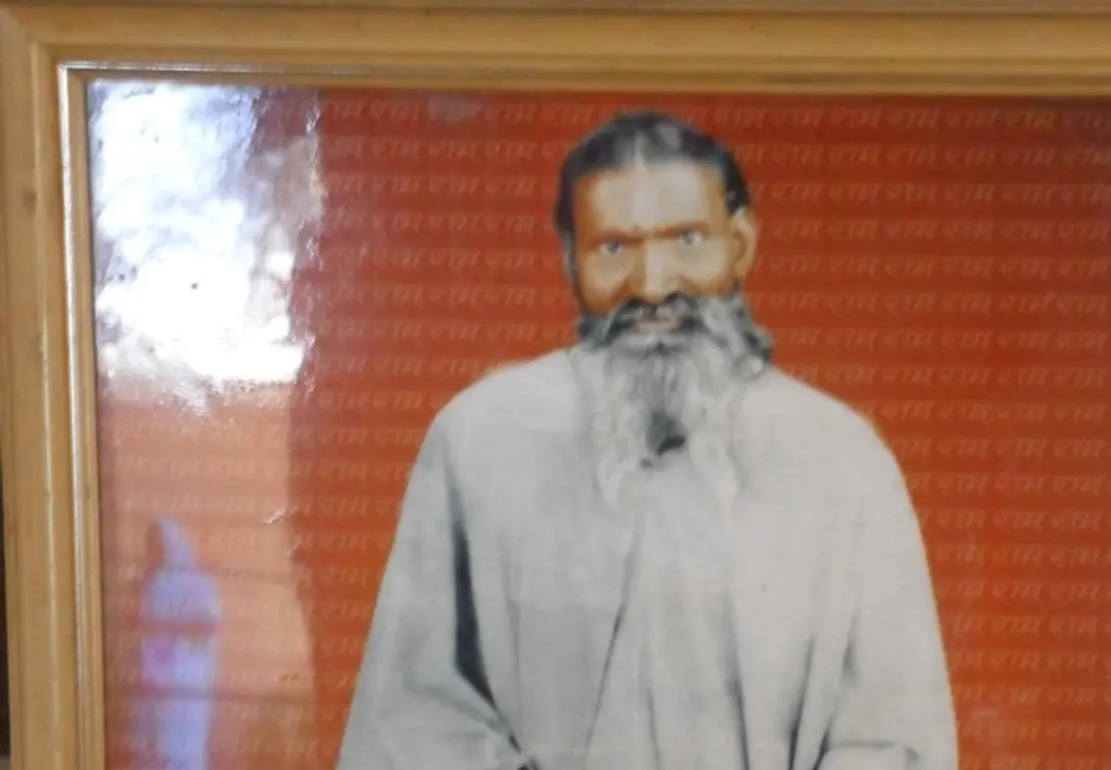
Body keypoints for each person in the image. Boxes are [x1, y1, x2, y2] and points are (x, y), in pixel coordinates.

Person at [337, 111, 957, 770]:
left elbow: (894, 732)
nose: (653, 285)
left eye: (687, 240)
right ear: (570, 259)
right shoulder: (481, 440)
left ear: (740, 243)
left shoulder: (840, 459)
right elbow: (411, 718)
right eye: (614, 248)